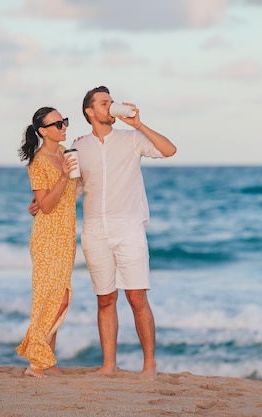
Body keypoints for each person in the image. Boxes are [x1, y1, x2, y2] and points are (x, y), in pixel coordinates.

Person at [29, 86, 176, 376]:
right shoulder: (78, 147)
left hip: (129, 228)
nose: (112, 106)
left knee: (136, 297)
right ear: (90, 111)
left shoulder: (132, 139)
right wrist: (40, 199)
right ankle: (109, 365)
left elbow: (169, 150)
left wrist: (138, 124)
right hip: (95, 231)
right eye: (105, 103)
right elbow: (74, 186)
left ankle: (149, 365)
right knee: (105, 299)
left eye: (112, 102)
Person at [16, 106, 78, 378]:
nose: (63, 127)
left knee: (56, 297)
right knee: (56, 299)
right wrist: (63, 176)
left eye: (64, 121)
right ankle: (35, 363)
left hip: (66, 235)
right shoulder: (38, 162)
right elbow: (48, 207)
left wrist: (68, 176)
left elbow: (73, 193)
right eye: (57, 124)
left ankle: (45, 360)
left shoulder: (66, 154)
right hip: (47, 236)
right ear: (43, 131)